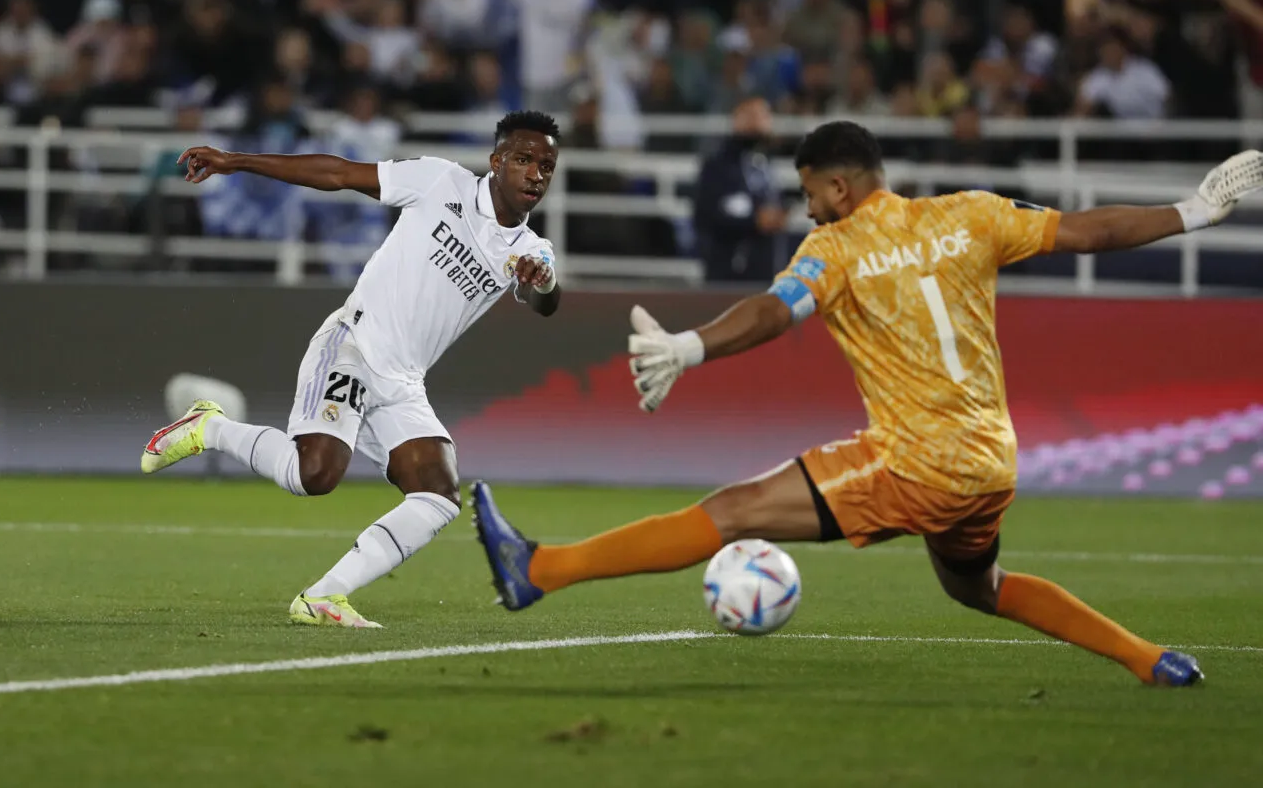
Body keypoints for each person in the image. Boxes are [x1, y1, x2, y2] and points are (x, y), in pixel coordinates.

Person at [472, 120, 1261, 686]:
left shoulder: (837, 247)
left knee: (737, 509)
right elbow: (1091, 232)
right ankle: (1146, 659)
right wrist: (1196, 211)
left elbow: (775, 312)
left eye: (811, 194)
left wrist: (691, 348)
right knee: (974, 588)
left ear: (839, 186)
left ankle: (539, 568)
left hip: (917, 459)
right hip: (992, 461)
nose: (808, 209)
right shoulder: (972, 214)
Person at [144, 111, 563, 629]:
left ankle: (325, 596)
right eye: (524, 160)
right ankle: (209, 427)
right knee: (313, 475)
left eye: (547, 165)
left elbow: (542, 297)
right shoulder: (440, 181)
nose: (536, 174)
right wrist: (237, 161)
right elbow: (339, 173)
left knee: (438, 493)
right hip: (355, 345)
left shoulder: (530, 249)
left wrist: (540, 281)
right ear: (496, 161)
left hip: (404, 380)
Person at [692, 96, 788, 282]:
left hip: (764, 270)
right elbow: (704, 215)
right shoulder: (717, 166)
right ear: (736, 119)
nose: (759, 123)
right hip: (728, 271)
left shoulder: (765, 163)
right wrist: (753, 220)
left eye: (763, 116)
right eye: (751, 115)